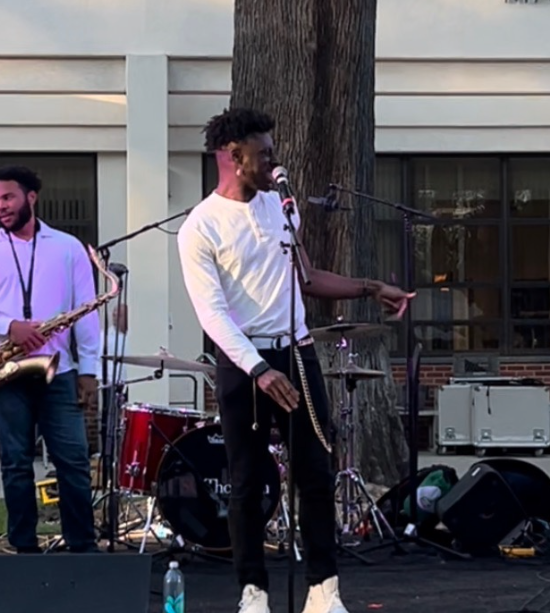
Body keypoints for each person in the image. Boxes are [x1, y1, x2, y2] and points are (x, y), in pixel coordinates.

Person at [176, 107, 415, 613]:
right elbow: (212, 314)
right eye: (263, 154)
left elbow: (305, 276)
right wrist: (259, 370)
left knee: (316, 473)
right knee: (247, 481)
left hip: (297, 350)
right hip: (243, 361)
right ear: (233, 156)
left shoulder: (280, 209)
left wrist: (370, 287)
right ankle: (253, 592)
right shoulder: (201, 227)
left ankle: (323, 590)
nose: (274, 162)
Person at [0, 165, 102, 554]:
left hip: (59, 371)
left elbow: (86, 312)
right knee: (16, 464)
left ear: (31, 197)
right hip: (4, 371)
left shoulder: (68, 247)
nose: (0, 207)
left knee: (73, 462)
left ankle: (82, 547)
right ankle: (24, 547)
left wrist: (89, 370)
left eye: (8, 198)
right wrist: (10, 326)